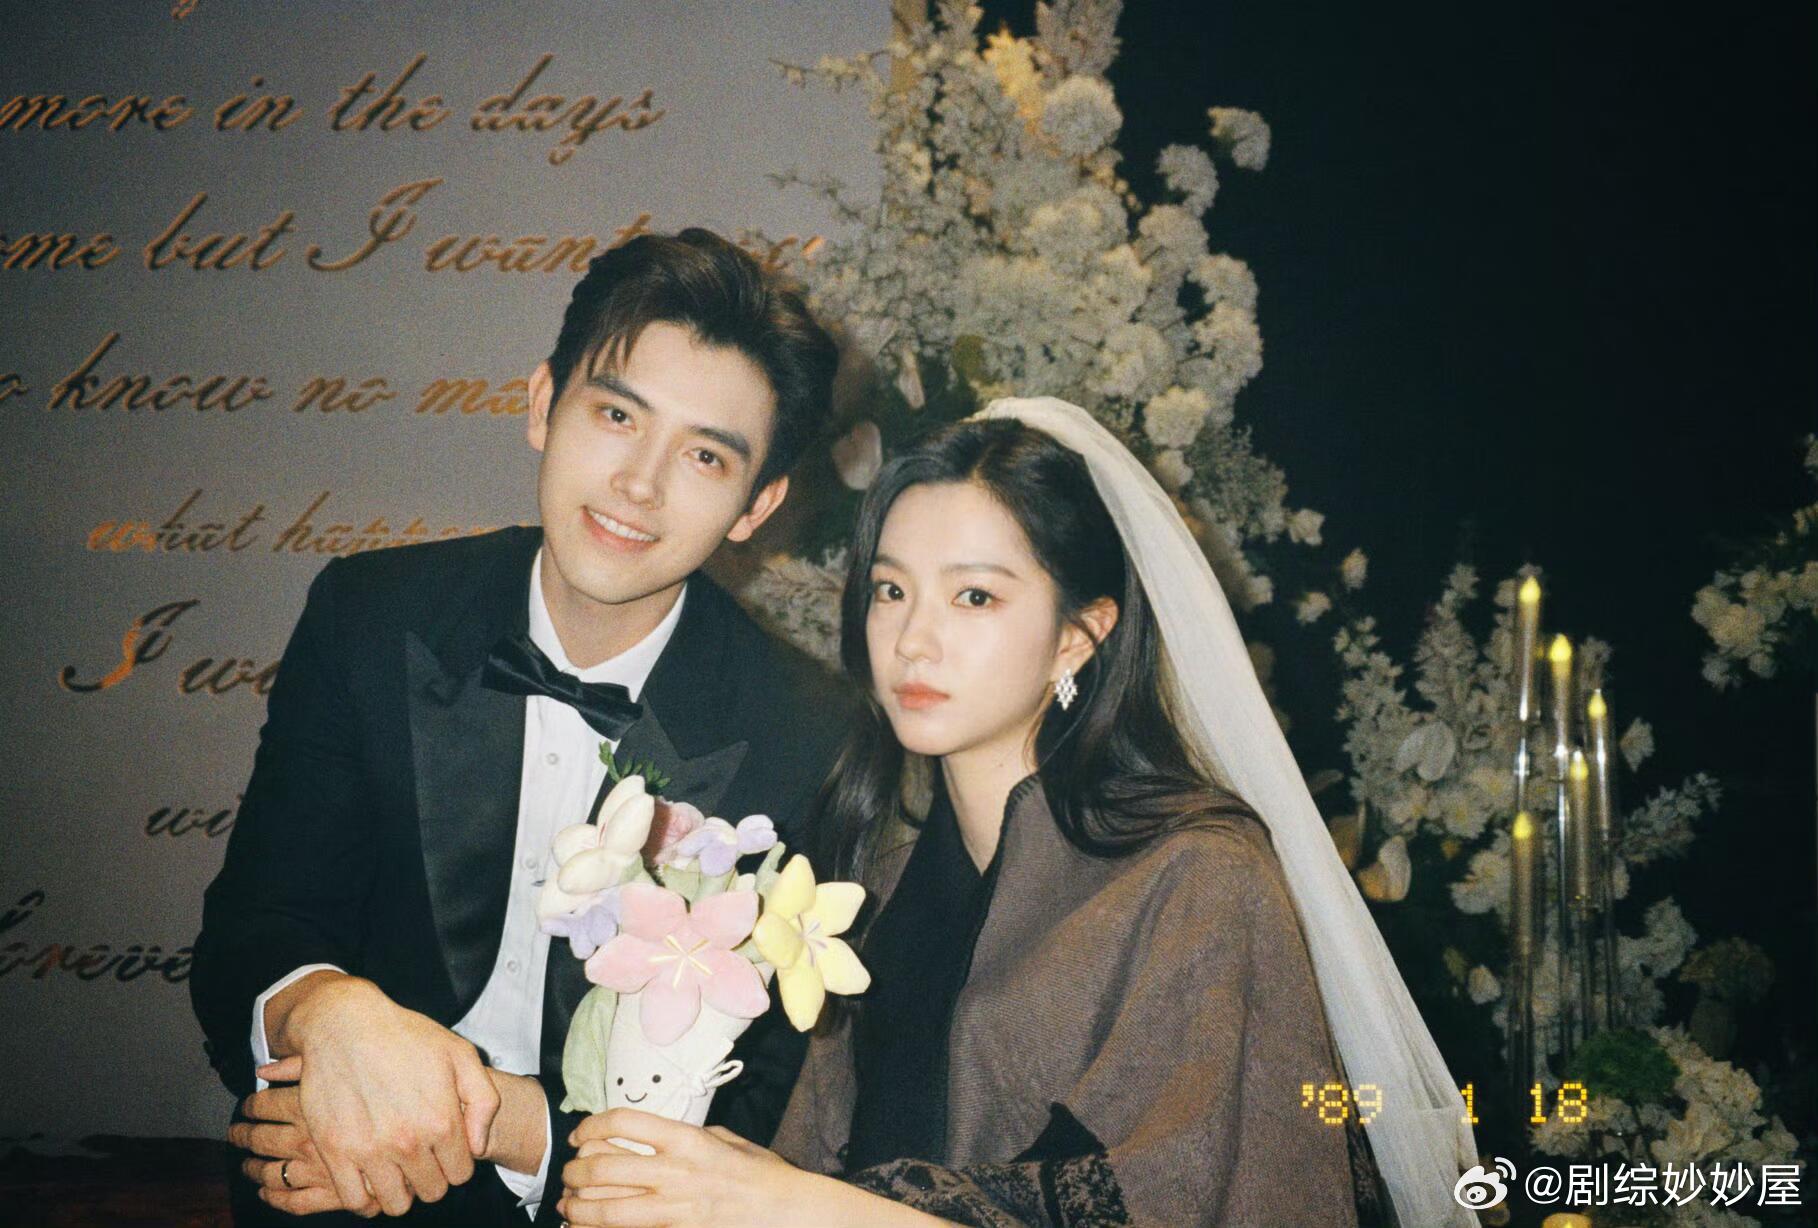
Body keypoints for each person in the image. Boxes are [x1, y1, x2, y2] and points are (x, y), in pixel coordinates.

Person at [546, 398, 1482, 1227]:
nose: (915, 639)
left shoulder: (1198, 877)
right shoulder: (878, 885)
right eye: (891, 590)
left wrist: (784, 1205)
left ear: (1080, 635)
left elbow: (1194, 1197)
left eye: (975, 596)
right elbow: (810, 1168)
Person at [190, 227, 853, 1227]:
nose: (639, 483)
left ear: (755, 506)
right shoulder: (371, 615)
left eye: (704, 456)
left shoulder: (812, 733)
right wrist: (324, 1012)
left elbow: (762, 1109)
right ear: (543, 404)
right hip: (338, 1179)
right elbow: (255, 928)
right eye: (617, 414)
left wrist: (505, 1125)